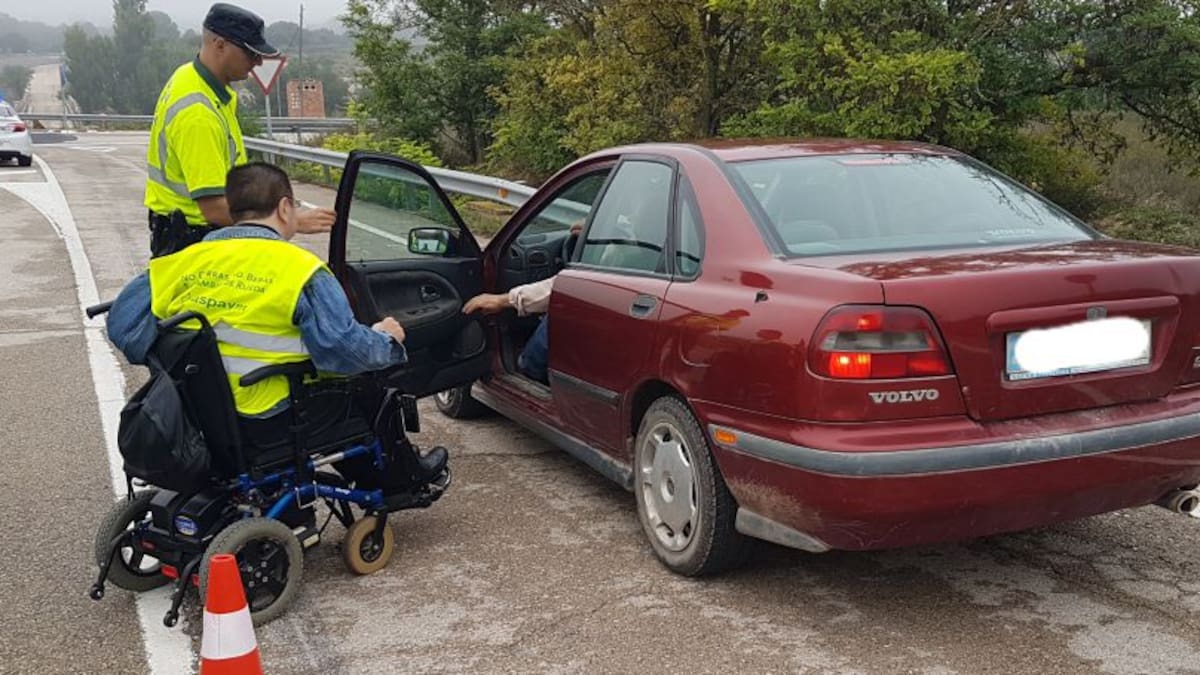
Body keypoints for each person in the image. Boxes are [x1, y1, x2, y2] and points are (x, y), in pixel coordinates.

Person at [110, 162, 446, 480]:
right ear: (286, 208)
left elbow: (123, 327)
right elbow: (344, 351)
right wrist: (386, 340)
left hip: (191, 413)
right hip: (266, 416)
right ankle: (398, 479)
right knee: (370, 389)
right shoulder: (299, 270)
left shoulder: (181, 261)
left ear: (234, 209)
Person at [144, 3, 334, 257]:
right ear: (219, 45)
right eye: (249, 53)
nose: (257, 62)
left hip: (192, 237)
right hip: (194, 245)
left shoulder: (192, 78)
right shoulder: (198, 112)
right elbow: (214, 207)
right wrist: (291, 222)